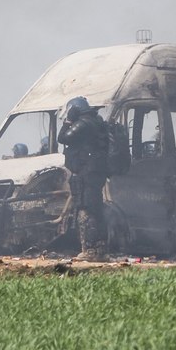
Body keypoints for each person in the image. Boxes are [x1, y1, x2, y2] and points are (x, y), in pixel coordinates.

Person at [56, 95, 110, 262]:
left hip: (87, 173)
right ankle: (100, 250)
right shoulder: (96, 122)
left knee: (86, 211)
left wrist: (67, 122)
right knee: (96, 209)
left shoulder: (84, 123)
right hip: (95, 173)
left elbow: (62, 138)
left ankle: (90, 250)